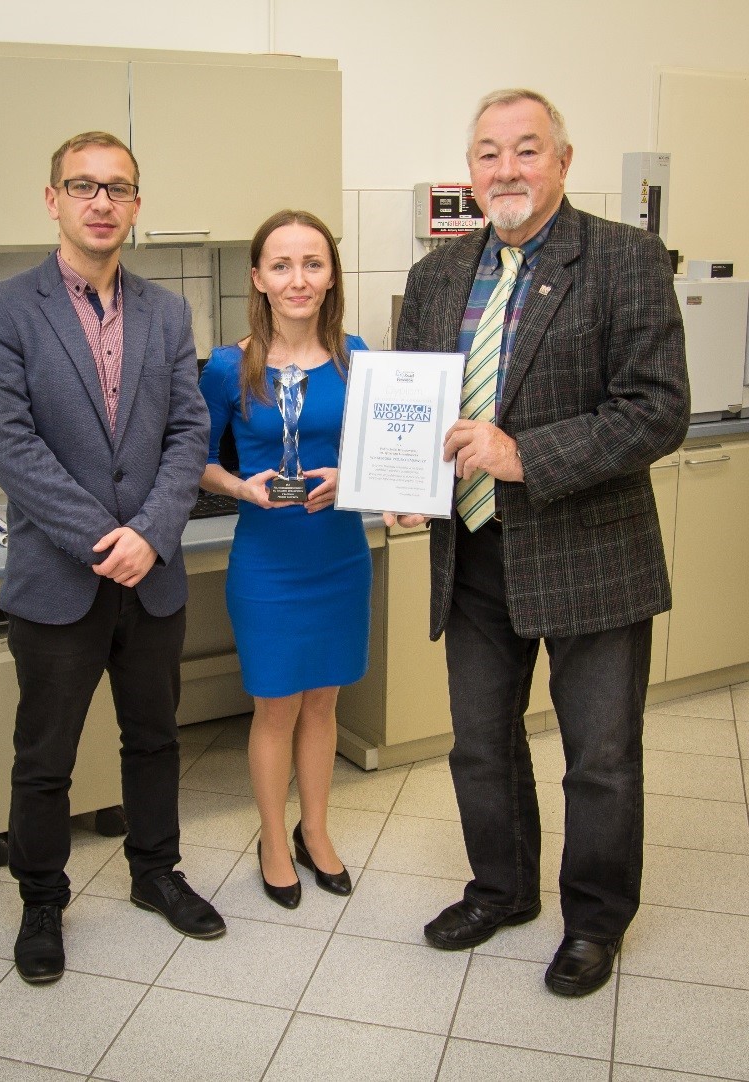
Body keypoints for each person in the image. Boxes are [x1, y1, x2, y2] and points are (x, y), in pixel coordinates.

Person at [389, 89, 689, 995]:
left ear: (563, 159)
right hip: (475, 551)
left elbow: (657, 409)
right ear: (469, 169)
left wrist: (525, 455)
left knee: (600, 759)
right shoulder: (438, 275)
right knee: (480, 745)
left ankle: (594, 922)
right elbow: (417, 404)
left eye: (526, 149)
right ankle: (502, 889)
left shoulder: (625, 259)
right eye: (488, 153)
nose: (506, 169)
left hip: (591, 551)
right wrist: (402, 483)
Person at [0, 131, 225, 985]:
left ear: (137, 205)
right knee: (45, 757)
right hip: (57, 579)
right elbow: (12, 447)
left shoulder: (168, 312)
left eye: (117, 187)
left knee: (154, 739)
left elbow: (189, 432)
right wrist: (103, 540)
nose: (101, 202)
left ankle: (156, 872)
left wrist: (149, 533)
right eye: (83, 186)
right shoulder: (4, 309)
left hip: (152, 576)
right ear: (53, 199)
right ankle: (42, 900)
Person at [198, 209, 370, 908]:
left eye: (312, 264)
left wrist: (351, 479)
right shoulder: (226, 367)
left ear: (330, 277)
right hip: (268, 562)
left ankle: (314, 831)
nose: (298, 279)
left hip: (340, 555)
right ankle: (274, 840)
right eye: (281, 265)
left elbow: (382, 455)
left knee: (324, 702)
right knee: (275, 707)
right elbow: (196, 462)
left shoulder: (359, 358)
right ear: (258, 279)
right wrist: (242, 486)